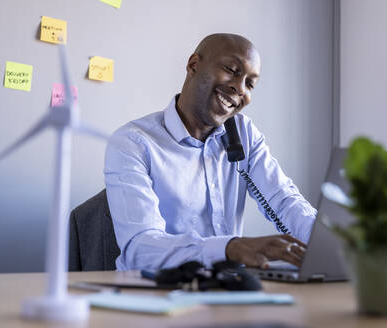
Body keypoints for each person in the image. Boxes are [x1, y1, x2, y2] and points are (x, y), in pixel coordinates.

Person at [104, 33, 317, 271]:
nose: (239, 88)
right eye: (231, 69)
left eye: (250, 83)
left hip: (226, 290)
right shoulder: (133, 142)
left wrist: (329, 240)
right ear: (194, 64)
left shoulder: (243, 133)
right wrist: (229, 249)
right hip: (156, 293)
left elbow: (285, 201)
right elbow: (140, 249)